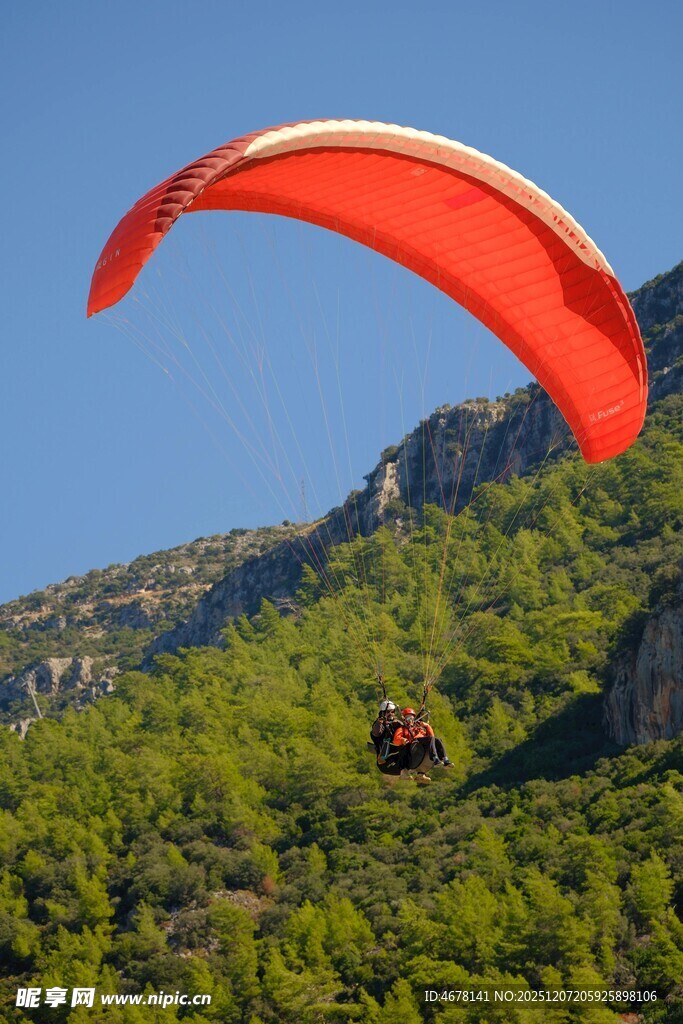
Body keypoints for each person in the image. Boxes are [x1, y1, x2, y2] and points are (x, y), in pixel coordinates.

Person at [393, 708, 454, 772]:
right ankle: (435, 758)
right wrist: (403, 740)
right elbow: (395, 740)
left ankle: (445, 759)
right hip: (414, 744)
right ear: (404, 719)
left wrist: (427, 726)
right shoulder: (402, 728)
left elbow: (431, 736)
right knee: (430, 739)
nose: (410, 720)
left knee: (438, 740)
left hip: (423, 743)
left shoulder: (418, 727)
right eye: (408, 718)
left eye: (412, 718)